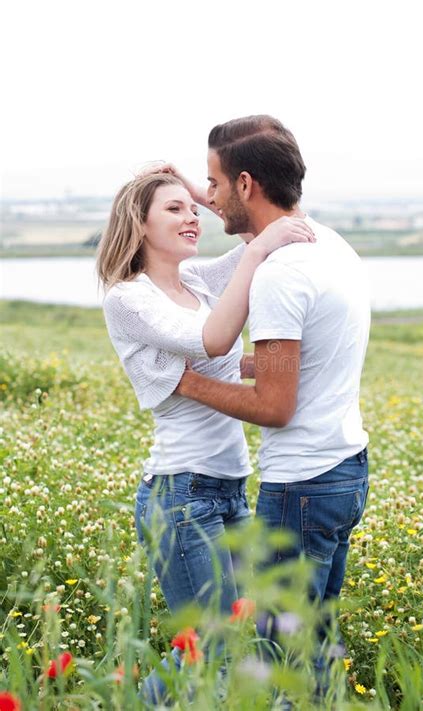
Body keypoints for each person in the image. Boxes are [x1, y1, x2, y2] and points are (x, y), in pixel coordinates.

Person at [96, 170, 315, 703]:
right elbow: (212, 339)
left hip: (228, 489)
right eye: (174, 211)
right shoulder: (128, 298)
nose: (192, 217)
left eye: (192, 209)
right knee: (209, 644)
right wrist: (259, 244)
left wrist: (201, 194)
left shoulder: (194, 282)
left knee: (233, 635)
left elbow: (291, 221)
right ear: (138, 223)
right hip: (181, 494)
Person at [175, 115, 371, 696]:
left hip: (301, 487)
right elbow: (302, 364)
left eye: (211, 185)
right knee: (314, 649)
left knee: (282, 660)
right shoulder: (326, 243)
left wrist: (186, 383)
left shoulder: (279, 275)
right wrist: (193, 188)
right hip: (344, 470)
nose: (204, 197)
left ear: (245, 183)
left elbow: (274, 405)